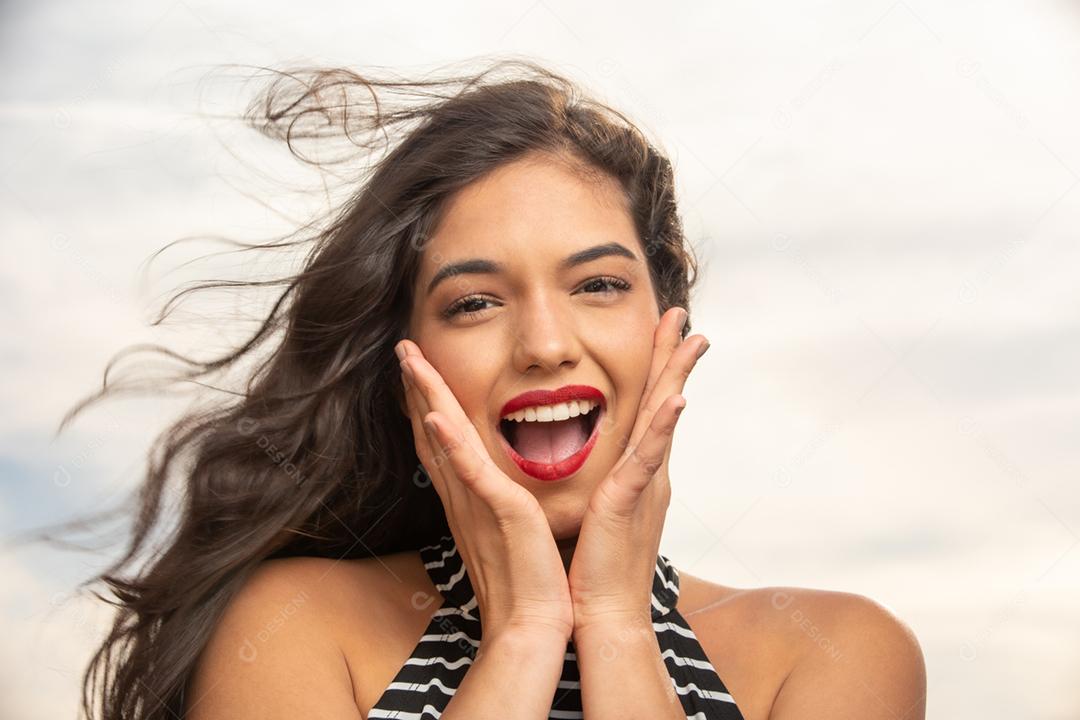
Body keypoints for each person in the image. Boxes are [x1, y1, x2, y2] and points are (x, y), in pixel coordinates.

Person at [59, 58, 925, 720]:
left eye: (598, 285)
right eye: (473, 303)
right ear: (409, 376)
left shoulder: (834, 655)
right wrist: (521, 638)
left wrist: (618, 623)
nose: (546, 345)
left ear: (671, 334)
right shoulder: (292, 627)